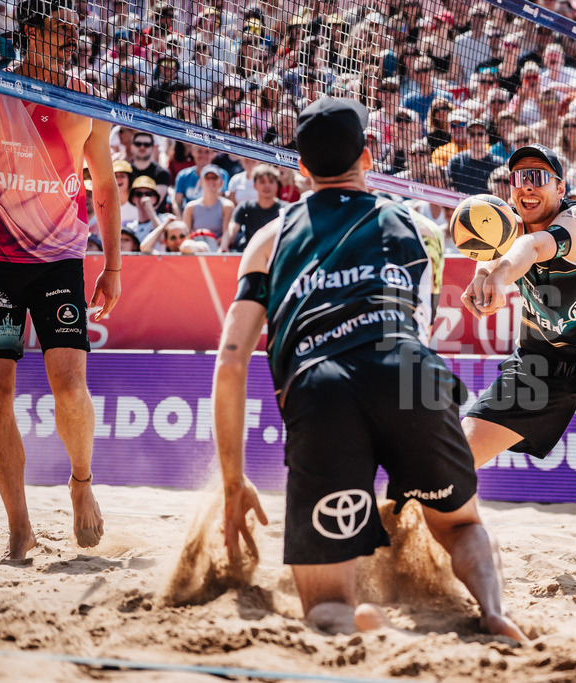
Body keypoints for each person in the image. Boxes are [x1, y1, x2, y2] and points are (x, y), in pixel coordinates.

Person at [213, 97, 525, 640]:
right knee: (461, 523)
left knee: (327, 608)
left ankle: (356, 621)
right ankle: (493, 609)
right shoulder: (417, 226)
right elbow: (418, 329)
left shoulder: (269, 239)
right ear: (369, 155)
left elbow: (231, 361)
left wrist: (233, 483)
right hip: (412, 375)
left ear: (301, 168)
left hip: (322, 386)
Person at [0, 0, 120, 560]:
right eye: (61, 29)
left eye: (76, 31)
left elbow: (103, 190)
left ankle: (81, 485)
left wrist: (113, 267)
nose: (72, 40)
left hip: (59, 261)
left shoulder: (86, 101)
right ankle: (19, 526)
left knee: (69, 384)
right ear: (32, 30)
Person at [459, 143, 576, 583]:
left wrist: (500, 275)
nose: (528, 185)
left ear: (561, 187)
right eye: (520, 177)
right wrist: (483, 278)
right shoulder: (503, 229)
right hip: (540, 360)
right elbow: (502, 253)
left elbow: (532, 247)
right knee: (456, 454)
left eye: (539, 176)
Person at [222, 164, 286, 252]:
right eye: (262, 182)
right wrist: (224, 245)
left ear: (276, 186)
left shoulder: (285, 209)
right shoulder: (245, 207)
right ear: (255, 186)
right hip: (248, 252)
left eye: (271, 181)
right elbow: (232, 228)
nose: (267, 185)